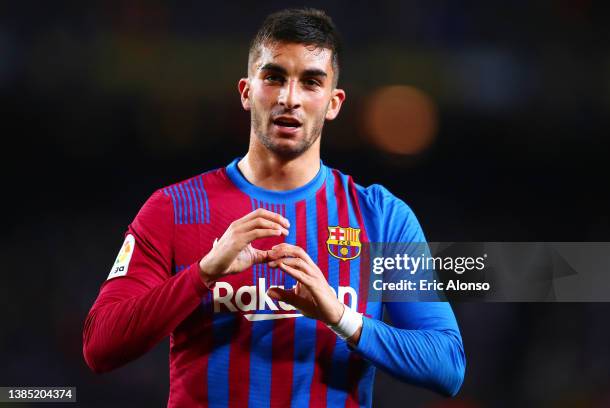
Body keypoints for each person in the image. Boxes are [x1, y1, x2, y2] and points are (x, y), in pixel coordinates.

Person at [83, 8, 465, 407]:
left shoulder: (382, 218)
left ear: (333, 103)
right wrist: (203, 274)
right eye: (274, 77)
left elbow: (447, 365)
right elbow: (100, 346)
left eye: (311, 82)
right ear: (247, 92)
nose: (289, 98)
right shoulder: (174, 209)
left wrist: (340, 316)